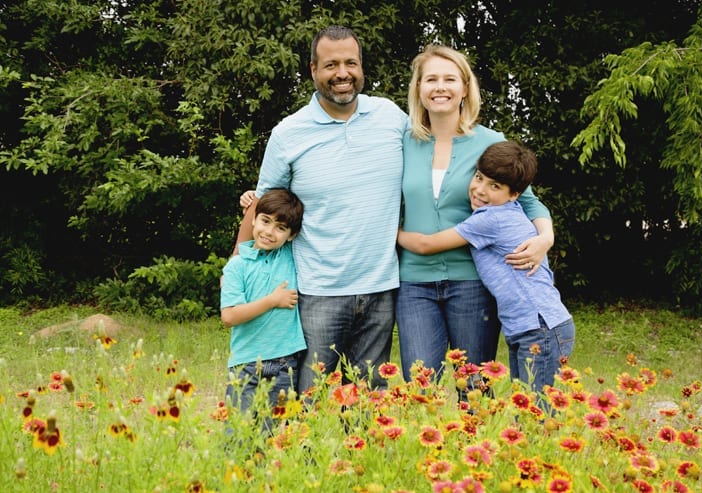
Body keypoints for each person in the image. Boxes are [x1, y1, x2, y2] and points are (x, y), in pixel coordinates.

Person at [233, 26, 407, 393]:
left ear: (361, 67)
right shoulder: (289, 133)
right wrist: (237, 266)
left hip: (381, 287)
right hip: (316, 290)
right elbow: (263, 206)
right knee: (312, 399)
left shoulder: (391, 117)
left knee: (370, 400)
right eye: (331, 65)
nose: (342, 73)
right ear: (313, 70)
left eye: (350, 63)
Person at [397, 44, 555, 384]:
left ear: (465, 88)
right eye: (431, 79)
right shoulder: (401, 141)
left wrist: (545, 237)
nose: (440, 87)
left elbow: (528, 202)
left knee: (475, 387)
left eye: (450, 79)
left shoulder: (489, 141)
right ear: (418, 88)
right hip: (414, 284)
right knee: (419, 391)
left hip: (471, 283)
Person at [398, 141, 575, 393]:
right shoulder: (506, 211)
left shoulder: (491, 219)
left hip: (539, 327)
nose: (480, 190)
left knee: (537, 412)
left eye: (495, 186)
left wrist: (393, 232)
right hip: (530, 326)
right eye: (479, 178)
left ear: (514, 194)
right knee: (526, 407)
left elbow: (426, 244)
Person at [221, 188, 306, 420]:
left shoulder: (289, 254)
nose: (269, 232)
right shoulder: (236, 266)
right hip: (246, 365)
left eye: (280, 228)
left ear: (291, 235)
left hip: (284, 364)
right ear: (254, 219)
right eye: (265, 221)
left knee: (272, 436)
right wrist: (272, 301)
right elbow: (229, 317)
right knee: (239, 435)